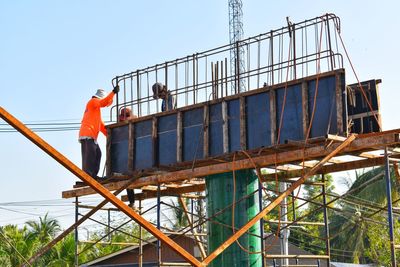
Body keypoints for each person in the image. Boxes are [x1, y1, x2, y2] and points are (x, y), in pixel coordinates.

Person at [79, 86, 119, 179]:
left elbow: (101, 125)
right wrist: (113, 93)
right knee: (90, 155)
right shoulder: (93, 101)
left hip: (90, 135)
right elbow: (103, 102)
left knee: (97, 154)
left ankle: (92, 176)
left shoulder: (95, 109)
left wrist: (109, 135)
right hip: (87, 134)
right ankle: (88, 176)